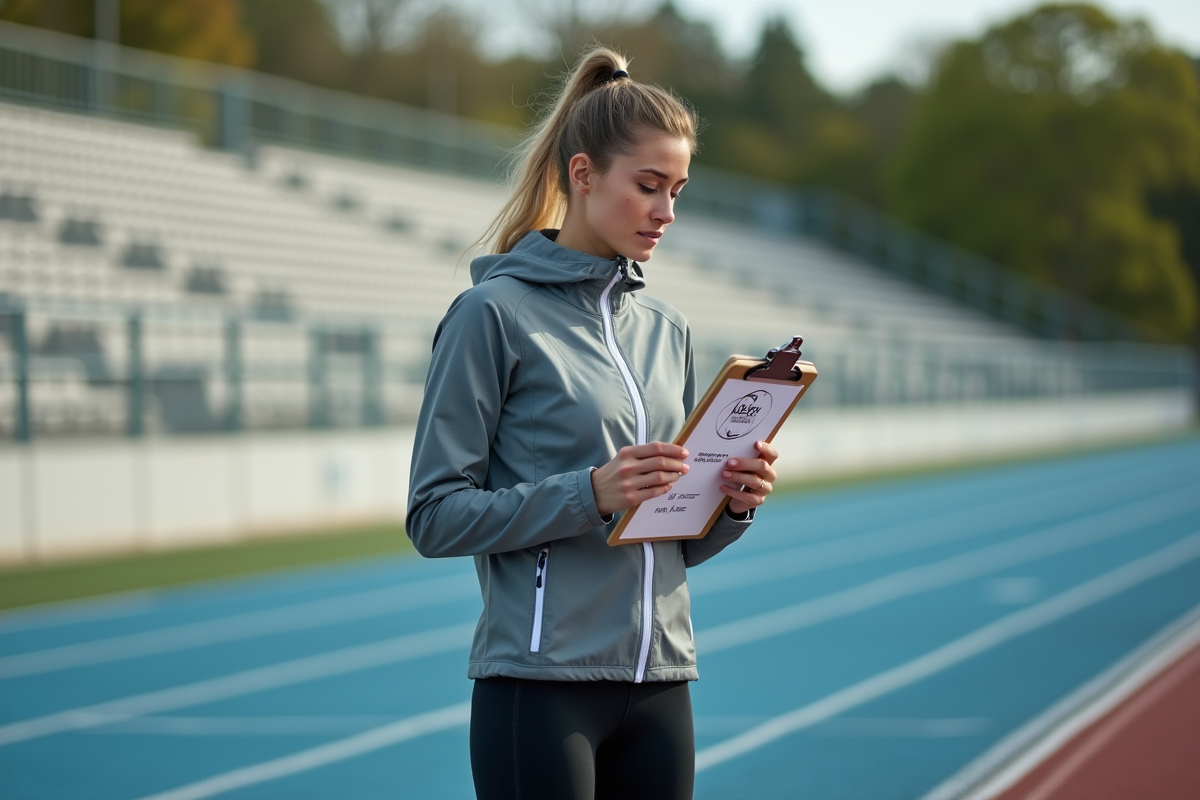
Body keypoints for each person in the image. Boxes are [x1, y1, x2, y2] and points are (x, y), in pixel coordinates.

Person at [406, 47, 780, 800]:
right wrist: (590, 493)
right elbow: (434, 517)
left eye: (677, 190)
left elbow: (668, 542)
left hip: (661, 680)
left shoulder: (666, 329)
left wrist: (729, 504)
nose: (666, 212)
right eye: (648, 186)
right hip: (541, 685)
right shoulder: (491, 315)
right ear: (583, 174)